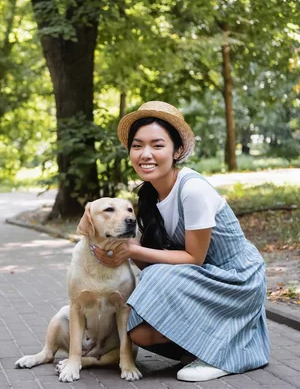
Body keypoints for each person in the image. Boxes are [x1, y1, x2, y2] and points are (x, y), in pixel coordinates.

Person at [89, 101, 270, 382]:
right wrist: (118, 246)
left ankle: (222, 355)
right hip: (201, 279)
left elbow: (193, 258)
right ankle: (205, 345)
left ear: (177, 150)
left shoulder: (192, 189)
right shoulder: (150, 194)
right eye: (137, 146)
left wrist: (134, 249)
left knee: (157, 277)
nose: (145, 154)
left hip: (235, 280)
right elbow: (146, 255)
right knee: (139, 332)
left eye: (157, 145)